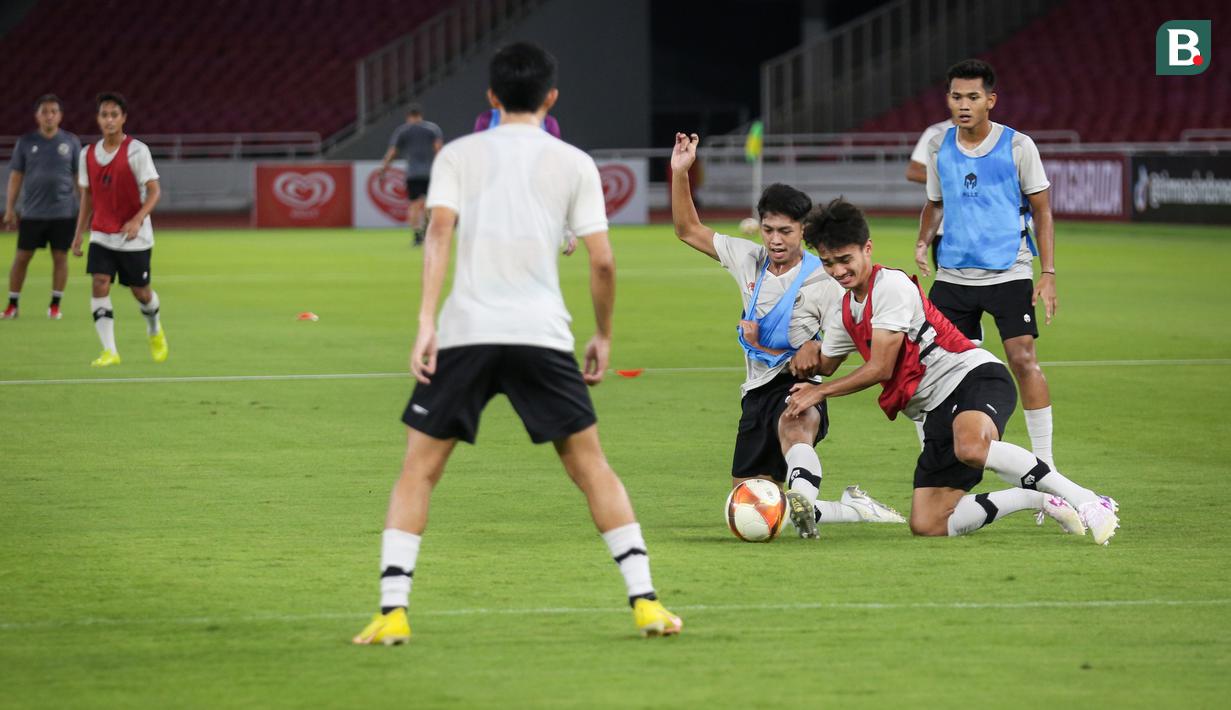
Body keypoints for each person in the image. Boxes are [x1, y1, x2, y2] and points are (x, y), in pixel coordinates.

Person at [353, 42, 681, 646]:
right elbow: (603, 263)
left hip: (466, 332)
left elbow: (439, 233)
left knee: (418, 471)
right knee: (591, 467)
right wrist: (604, 335)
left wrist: (426, 322)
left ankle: (392, 610)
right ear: (552, 97)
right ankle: (647, 603)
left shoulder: (459, 154)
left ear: (491, 97)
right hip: (543, 335)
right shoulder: (574, 162)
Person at [785, 198, 1119, 544]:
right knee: (928, 522)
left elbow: (881, 367)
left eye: (845, 260)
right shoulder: (844, 310)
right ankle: (1037, 497)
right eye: (828, 263)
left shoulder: (891, 287)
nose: (838, 271)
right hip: (935, 412)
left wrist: (821, 390)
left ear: (867, 249)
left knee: (972, 446)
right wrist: (807, 345)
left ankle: (1089, 501)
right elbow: (824, 362)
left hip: (972, 378)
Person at [669, 132, 905, 540]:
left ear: (803, 231)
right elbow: (688, 229)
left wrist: (819, 347)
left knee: (794, 426)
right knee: (755, 502)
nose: (775, 240)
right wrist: (680, 173)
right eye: (768, 230)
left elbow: (842, 342)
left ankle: (815, 499)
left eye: (786, 231)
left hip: (799, 384)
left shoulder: (825, 278)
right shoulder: (749, 259)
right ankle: (852, 510)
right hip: (755, 390)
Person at [915, 59, 1060, 472]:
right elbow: (935, 202)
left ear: (990, 100)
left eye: (973, 97)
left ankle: (1045, 464)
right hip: (953, 275)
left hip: (1008, 271)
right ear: (948, 99)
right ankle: (935, 457)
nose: (963, 104)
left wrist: (1047, 273)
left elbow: (1043, 211)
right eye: (956, 96)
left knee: (1022, 359)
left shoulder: (1018, 145)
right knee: (930, 365)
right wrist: (923, 240)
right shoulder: (938, 146)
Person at [71, 92, 167, 367]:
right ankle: (110, 350)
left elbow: (154, 191)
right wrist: (79, 232)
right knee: (99, 282)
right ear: (98, 119)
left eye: (114, 115)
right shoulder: (87, 154)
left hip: (134, 237)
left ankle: (154, 329)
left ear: (123, 118)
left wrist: (137, 220)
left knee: (141, 292)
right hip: (102, 232)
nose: (109, 120)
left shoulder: (138, 151)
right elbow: (87, 196)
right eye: (104, 115)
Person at [3, 94, 81, 320]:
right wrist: (10, 208)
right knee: (22, 258)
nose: (49, 116)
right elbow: (16, 177)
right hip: (33, 212)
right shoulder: (26, 143)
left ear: (60, 116)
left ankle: (55, 305)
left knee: (60, 258)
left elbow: (78, 178)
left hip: (63, 213)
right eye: (44, 112)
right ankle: (12, 304)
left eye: (53, 112)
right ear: (37, 116)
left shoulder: (71, 142)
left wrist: (83, 209)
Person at [379, 104, 443, 246]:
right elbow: (439, 149)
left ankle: (416, 235)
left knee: (414, 204)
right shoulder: (432, 129)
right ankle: (427, 230)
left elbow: (393, 152)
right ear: (421, 115)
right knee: (429, 203)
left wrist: (384, 168)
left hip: (413, 173)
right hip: (430, 172)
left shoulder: (403, 131)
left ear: (408, 117)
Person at [906, 118, 953, 278]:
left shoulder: (994, 136)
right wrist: (949, 181)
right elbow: (913, 171)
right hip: (945, 229)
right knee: (952, 291)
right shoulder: (937, 133)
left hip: (983, 229)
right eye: (956, 97)